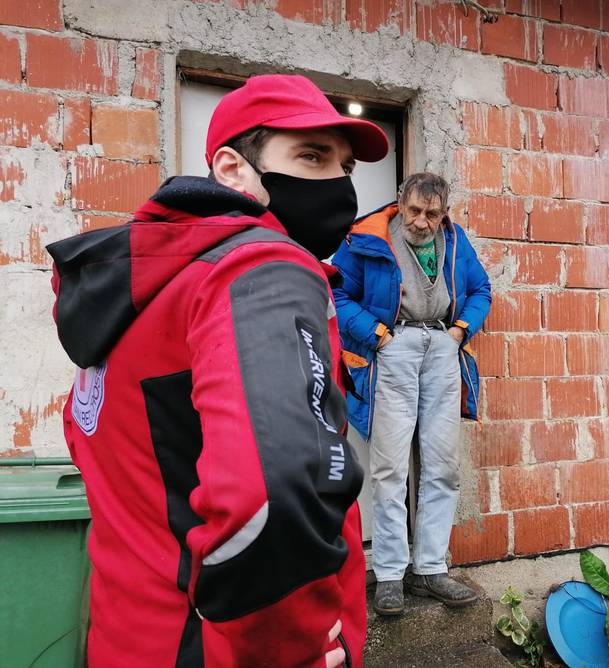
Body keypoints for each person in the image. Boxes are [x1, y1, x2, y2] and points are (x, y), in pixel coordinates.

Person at [46, 74, 388, 667]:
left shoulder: (144, 285)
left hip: (125, 638)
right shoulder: (261, 268)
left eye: (346, 166)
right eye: (310, 156)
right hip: (214, 649)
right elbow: (274, 493)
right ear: (231, 170)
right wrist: (292, 648)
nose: (336, 182)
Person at [332, 172, 492, 617]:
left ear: (444, 215)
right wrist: (377, 335)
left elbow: (480, 289)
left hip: (442, 347)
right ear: (400, 202)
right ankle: (387, 574)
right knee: (388, 466)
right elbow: (336, 291)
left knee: (442, 464)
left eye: (432, 215)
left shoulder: (456, 242)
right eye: (415, 211)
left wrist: (461, 331)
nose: (422, 222)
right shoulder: (366, 237)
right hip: (394, 346)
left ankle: (429, 568)